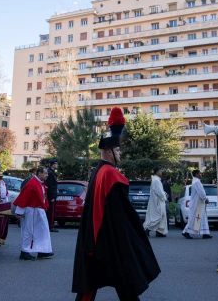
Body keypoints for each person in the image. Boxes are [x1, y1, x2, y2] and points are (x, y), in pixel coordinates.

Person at [73, 107, 160, 300]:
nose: (120, 154)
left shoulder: (97, 171)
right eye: (118, 150)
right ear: (110, 152)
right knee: (123, 280)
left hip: (96, 237)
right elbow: (122, 212)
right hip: (108, 238)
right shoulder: (112, 174)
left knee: (92, 284)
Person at [14, 166, 53, 261]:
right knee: (29, 232)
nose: (46, 175)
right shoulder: (32, 184)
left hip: (39, 210)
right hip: (32, 211)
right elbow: (24, 198)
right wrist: (19, 212)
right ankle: (25, 252)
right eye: (45, 173)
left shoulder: (40, 183)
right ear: (39, 173)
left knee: (43, 231)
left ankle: (43, 250)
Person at [182, 169, 211, 239]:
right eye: (199, 173)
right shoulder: (196, 182)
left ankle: (205, 233)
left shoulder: (196, 181)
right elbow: (201, 192)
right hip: (197, 203)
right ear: (196, 175)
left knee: (202, 217)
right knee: (194, 218)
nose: (201, 175)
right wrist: (205, 198)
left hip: (199, 203)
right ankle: (186, 232)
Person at [143, 167, 168, 237]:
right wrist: (164, 196)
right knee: (158, 217)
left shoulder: (156, 180)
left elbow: (159, 190)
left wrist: (164, 193)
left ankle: (159, 232)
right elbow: (159, 191)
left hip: (157, 200)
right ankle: (147, 228)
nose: (161, 172)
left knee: (159, 216)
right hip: (158, 201)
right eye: (160, 171)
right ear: (156, 172)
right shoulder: (156, 180)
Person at [46, 159, 59, 232]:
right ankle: (50, 226)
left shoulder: (52, 172)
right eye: (56, 164)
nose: (57, 165)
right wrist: (52, 197)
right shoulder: (50, 173)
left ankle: (51, 225)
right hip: (51, 196)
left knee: (51, 211)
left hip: (53, 194)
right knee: (51, 212)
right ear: (52, 164)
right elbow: (50, 186)